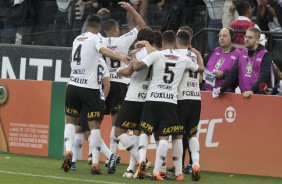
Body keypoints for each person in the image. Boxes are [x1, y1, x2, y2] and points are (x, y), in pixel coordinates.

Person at [61, 14, 129, 174]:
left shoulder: (77, 38)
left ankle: (69, 151)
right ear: (98, 27)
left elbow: (71, 58)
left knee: (70, 122)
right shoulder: (96, 38)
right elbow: (103, 50)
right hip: (89, 88)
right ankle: (97, 161)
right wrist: (121, 56)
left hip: (73, 85)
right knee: (93, 127)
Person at [133, 30, 204, 181]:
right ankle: (177, 170)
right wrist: (198, 55)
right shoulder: (184, 57)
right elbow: (202, 70)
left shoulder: (157, 54)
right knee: (175, 135)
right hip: (176, 100)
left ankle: (142, 161)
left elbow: (138, 67)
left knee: (145, 132)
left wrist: (134, 55)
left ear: (163, 43)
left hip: (156, 98)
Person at [101, 1, 146, 161]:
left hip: (104, 83)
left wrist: (99, 16)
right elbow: (141, 26)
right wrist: (131, 8)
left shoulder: (100, 41)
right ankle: (111, 156)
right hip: (120, 84)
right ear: (115, 29)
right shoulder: (122, 41)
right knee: (116, 122)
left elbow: (88, 31)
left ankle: (93, 154)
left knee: (94, 121)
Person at [113, 27, 155, 178]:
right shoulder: (156, 53)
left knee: (118, 131)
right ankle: (131, 169)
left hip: (134, 97)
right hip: (148, 98)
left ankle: (142, 160)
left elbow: (129, 71)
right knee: (137, 133)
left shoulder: (140, 52)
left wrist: (118, 71)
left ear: (140, 40)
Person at [70, 57, 113, 171]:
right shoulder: (103, 63)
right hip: (97, 99)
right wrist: (102, 99)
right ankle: (73, 162)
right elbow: (107, 85)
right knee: (80, 128)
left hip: (88, 98)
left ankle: (110, 156)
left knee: (89, 131)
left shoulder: (88, 60)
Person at [175, 30, 205, 181]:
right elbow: (201, 76)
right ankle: (196, 164)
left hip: (181, 98)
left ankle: (178, 171)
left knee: (178, 135)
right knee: (192, 134)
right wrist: (199, 55)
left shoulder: (175, 54)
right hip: (196, 98)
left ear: (177, 40)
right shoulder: (194, 55)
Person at [213, 27, 273, 98]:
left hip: (259, 96)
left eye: (250, 37)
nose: (246, 39)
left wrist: (252, 91)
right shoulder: (242, 53)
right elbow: (233, 73)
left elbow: (263, 76)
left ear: (257, 40)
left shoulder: (265, 55)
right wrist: (222, 88)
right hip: (244, 95)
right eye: (246, 37)